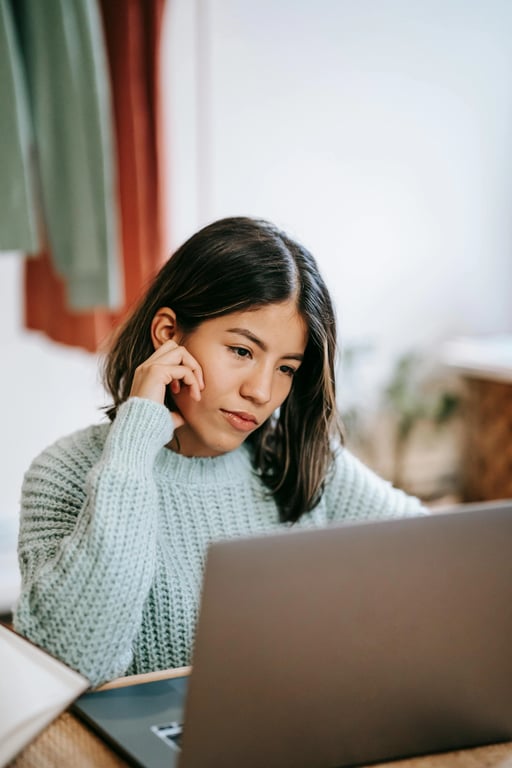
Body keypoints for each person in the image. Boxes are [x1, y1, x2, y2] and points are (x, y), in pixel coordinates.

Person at [14, 217, 424, 686]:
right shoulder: (64, 473)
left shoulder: (301, 463)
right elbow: (75, 661)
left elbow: (442, 565)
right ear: (168, 334)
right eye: (242, 352)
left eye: (287, 368)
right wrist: (132, 446)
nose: (262, 391)